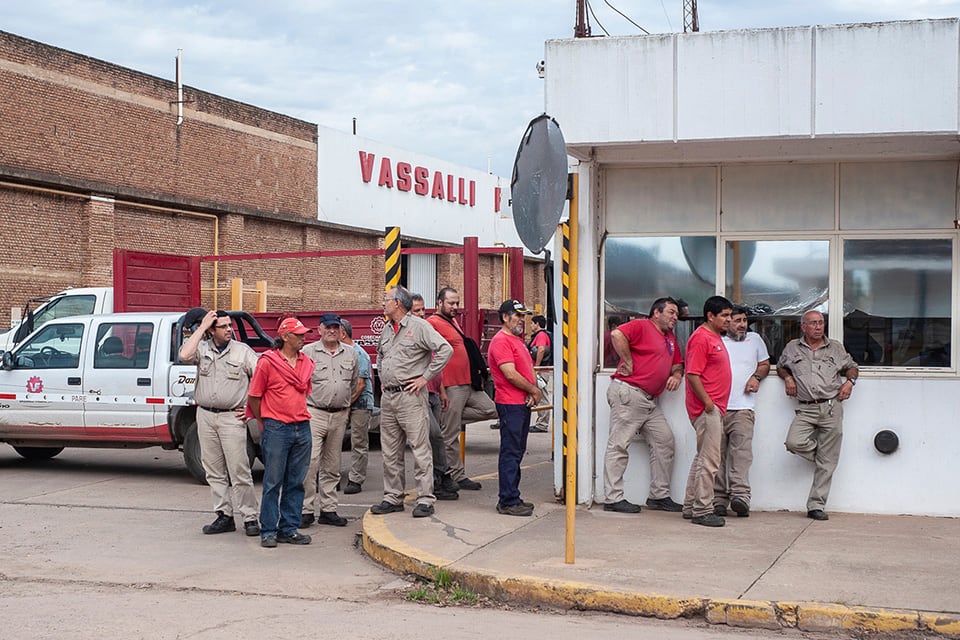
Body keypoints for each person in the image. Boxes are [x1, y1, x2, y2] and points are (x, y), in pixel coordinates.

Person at [370, 286, 452, 518]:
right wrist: (384, 377)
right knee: (390, 450)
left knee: (419, 448)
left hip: (411, 397)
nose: (382, 303)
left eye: (386, 299)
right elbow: (381, 354)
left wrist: (425, 378)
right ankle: (392, 496)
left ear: (397, 303)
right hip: (389, 397)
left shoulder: (419, 326)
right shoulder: (387, 329)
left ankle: (425, 498)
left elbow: (444, 350)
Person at [179, 309, 260, 537]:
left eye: (229, 325)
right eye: (223, 327)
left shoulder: (242, 352)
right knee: (213, 471)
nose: (229, 330)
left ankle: (250, 517)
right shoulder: (202, 349)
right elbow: (184, 355)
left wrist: (252, 410)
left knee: (239, 470)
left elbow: (262, 378)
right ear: (212, 330)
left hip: (231, 418)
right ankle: (223, 515)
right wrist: (203, 326)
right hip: (205, 416)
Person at [603, 297, 685, 514]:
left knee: (664, 441)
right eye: (671, 312)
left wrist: (676, 375)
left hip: (649, 400)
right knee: (619, 445)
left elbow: (677, 363)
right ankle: (613, 498)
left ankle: (659, 495)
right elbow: (617, 334)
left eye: (676, 314)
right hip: (630, 393)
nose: (675, 317)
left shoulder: (669, 338)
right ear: (656, 313)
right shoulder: (642, 325)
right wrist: (628, 361)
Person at [777, 310, 858, 521]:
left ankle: (816, 505)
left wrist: (850, 383)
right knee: (793, 442)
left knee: (827, 460)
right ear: (803, 327)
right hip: (806, 408)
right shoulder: (792, 347)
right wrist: (788, 378)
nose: (818, 327)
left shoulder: (836, 347)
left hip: (831, 406)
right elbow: (781, 367)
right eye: (813, 323)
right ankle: (824, 459)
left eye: (821, 323)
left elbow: (852, 368)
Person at [247, 317, 314, 548]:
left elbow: (304, 392)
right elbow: (254, 396)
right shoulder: (267, 362)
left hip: (302, 427)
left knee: (296, 481)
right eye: (299, 334)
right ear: (285, 337)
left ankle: (289, 528)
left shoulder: (305, 362)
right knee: (273, 481)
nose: (304, 338)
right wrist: (264, 420)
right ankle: (268, 530)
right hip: (277, 427)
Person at [427, 287, 498, 491]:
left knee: (491, 409)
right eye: (451, 303)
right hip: (452, 384)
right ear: (439, 303)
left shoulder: (453, 320)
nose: (455, 307)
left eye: (457, 303)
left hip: (468, 383)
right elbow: (431, 354)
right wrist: (440, 387)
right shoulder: (432, 323)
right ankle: (457, 475)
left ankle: (449, 419)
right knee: (450, 436)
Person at [300, 313, 358, 528]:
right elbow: (300, 382)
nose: (333, 330)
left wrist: (345, 405)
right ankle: (306, 510)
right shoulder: (308, 352)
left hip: (340, 414)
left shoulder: (350, 353)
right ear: (320, 329)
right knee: (310, 463)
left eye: (336, 327)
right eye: (329, 327)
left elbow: (352, 383)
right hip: (315, 413)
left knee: (332, 465)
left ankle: (328, 509)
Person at [487, 299, 542, 516]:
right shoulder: (502, 341)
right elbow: (509, 373)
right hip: (511, 404)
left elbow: (525, 369)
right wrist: (534, 390)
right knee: (511, 452)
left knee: (517, 451)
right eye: (517, 315)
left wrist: (531, 390)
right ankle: (508, 500)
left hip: (520, 403)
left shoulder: (517, 340)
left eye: (523, 316)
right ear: (505, 317)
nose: (521, 320)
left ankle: (513, 496)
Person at [681, 296, 733, 527]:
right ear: (710, 316)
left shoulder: (714, 337)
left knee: (702, 458)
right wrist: (708, 404)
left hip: (713, 408)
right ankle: (702, 510)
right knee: (711, 461)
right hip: (707, 409)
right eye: (724, 315)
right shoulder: (702, 338)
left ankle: (691, 506)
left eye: (730, 315)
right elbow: (692, 374)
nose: (729, 320)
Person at [714, 305, 769, 518]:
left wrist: (756, 377)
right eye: (737, 320)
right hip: (716, 407)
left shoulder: (755, 339)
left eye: (744, 320)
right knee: (715, 455)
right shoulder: (715, 341)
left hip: (743, 408)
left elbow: (764, 364)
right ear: (726, 323)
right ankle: (718, 500)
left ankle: (740, 496)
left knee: (742, 454)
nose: (742, 324)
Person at [411, 294, 459, 500]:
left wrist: (441, 390)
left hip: (434, 393)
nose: (422, 314)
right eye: (417, 311)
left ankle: (438, 480)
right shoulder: (410, 333)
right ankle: (441, 476)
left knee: (435, 438)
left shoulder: (426, 331)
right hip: (418, 395)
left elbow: (437, 359)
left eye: (423, 309)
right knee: (434, 435)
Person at [339, 318, 373, 496]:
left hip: (359, 404)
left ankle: (356, 479)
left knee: (358, 441)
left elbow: (360, 385)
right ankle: (332, 477)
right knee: (334, 441)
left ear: (343, 333)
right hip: (345, 404)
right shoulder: (339, 353)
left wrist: (346, 404)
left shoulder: (359, 354)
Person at [527, 314, 552, 433]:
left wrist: (536, 366)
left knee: (541, 396)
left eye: (532, 323)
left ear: (537, 324)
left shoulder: (541, 335)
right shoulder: (541, 335)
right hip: (541, 370)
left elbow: (541, 349)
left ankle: (542, 424)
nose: (531, 325)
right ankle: (541, 422)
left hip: (540, 371)